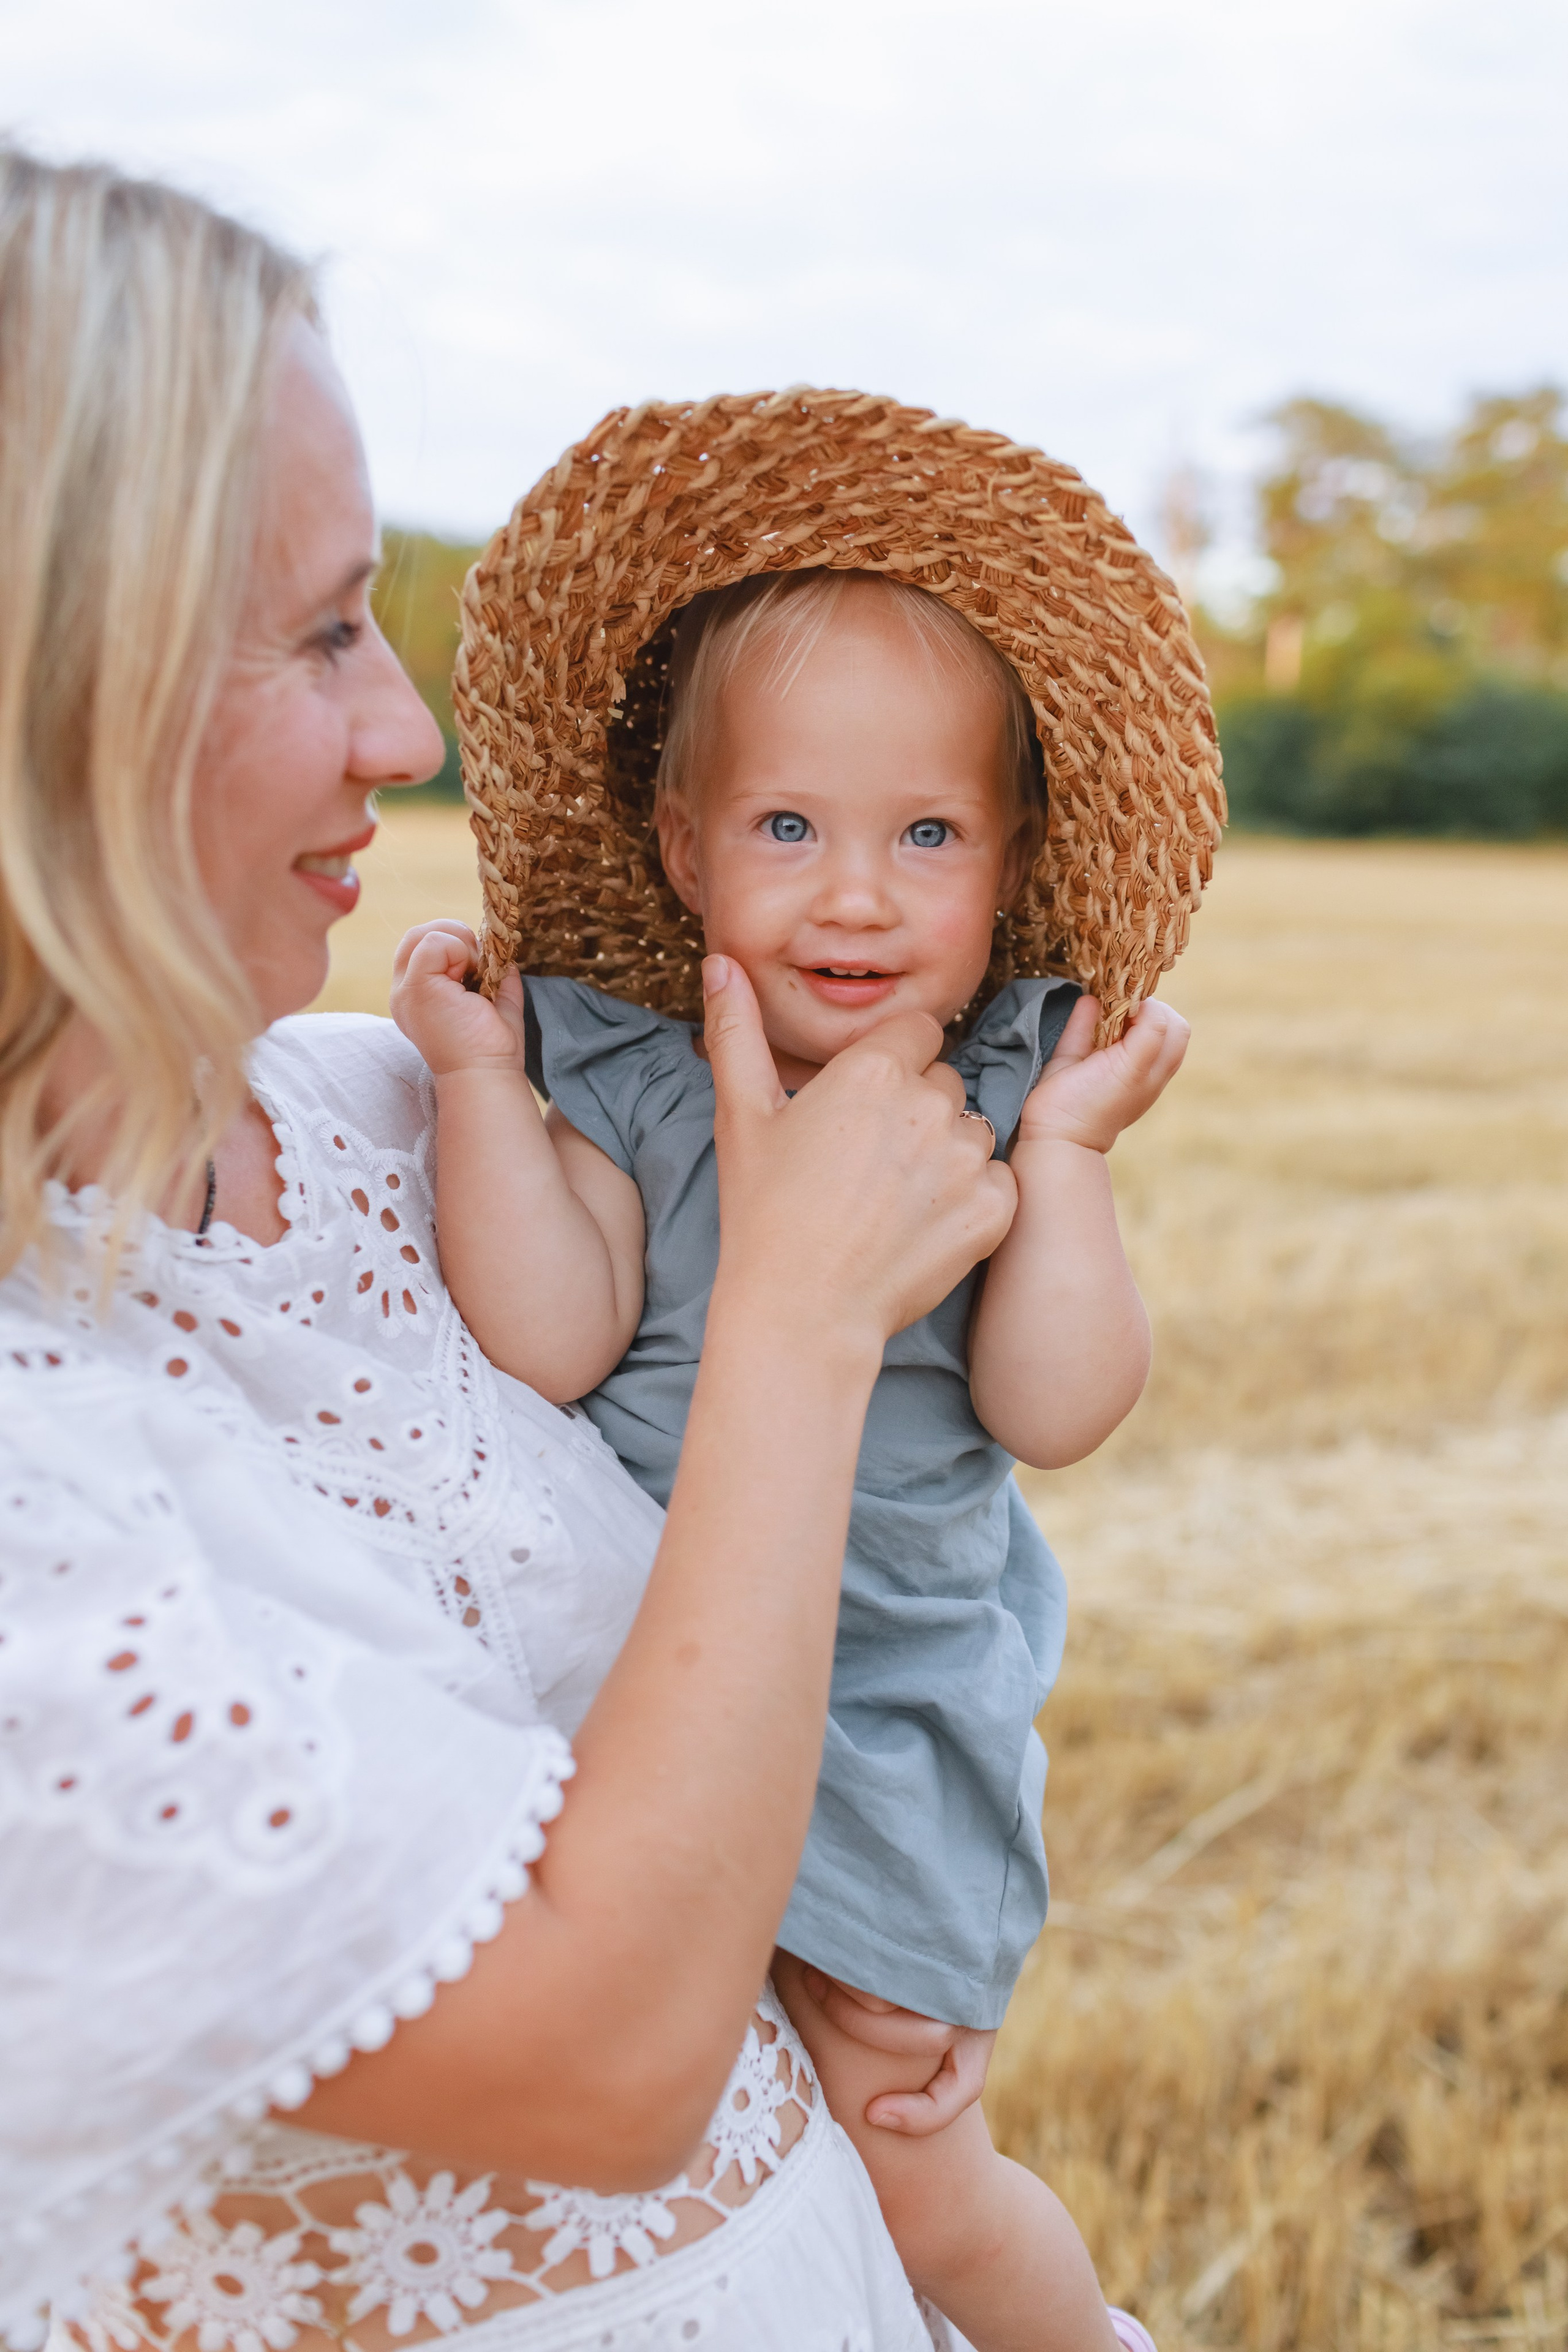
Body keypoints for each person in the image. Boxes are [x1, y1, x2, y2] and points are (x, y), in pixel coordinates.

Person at [0, 149, 1031, 2352]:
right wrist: (796, 1311)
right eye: (310, 632)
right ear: (42, 695)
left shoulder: (393, 1109)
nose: (408, 731)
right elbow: (605, 2055)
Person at [390, 399, 1223, 2352]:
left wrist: (1074, 1167)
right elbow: (553, 1333)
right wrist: (476, 1091)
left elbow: (1055, 1411)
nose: (855, 895)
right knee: (688, 2151)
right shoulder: (613, 1066)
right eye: (791, 828)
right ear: (683, 849)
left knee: (901, 2168)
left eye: (925, 835)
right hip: (621, 1699)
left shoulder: (1001, 1095)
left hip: (883, 1721)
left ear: (1008, 865)